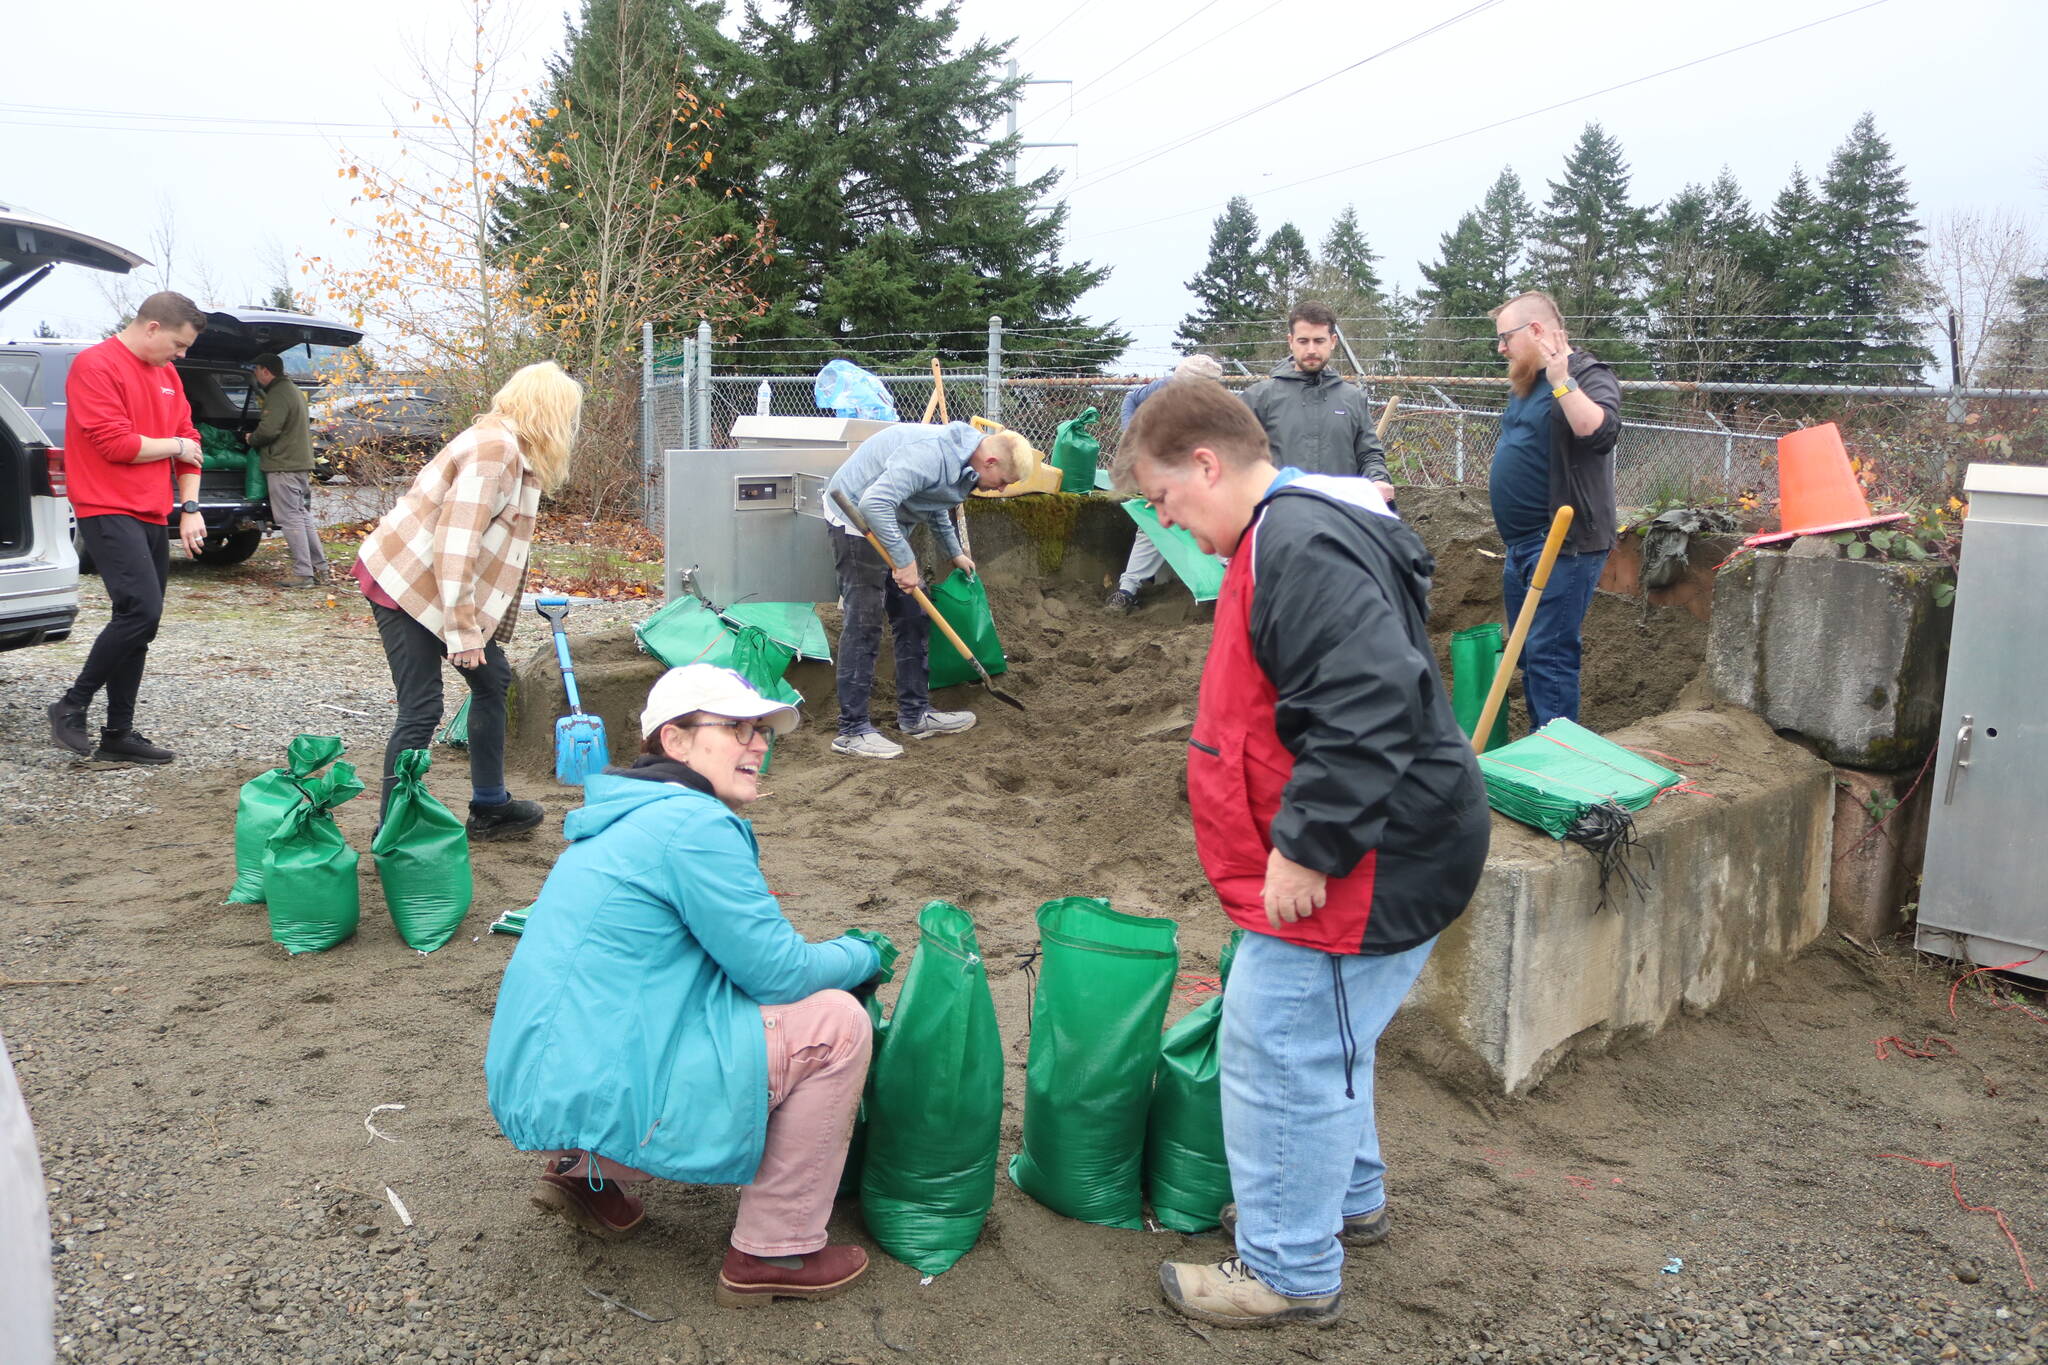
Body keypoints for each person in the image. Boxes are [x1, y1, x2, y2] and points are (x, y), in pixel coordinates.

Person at [1115, 380, 1489, 1329]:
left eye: (1165, 500)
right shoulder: (1291, 530)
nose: (1167, 523)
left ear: (1207, 463)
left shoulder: (1297, 542)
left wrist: (1309, 845)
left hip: (1367, 859)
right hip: (1397, 838)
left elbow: (1368, 698)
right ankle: (1346, 1201)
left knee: (1279, 1047)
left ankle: (1286, 1268)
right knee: (1328, 1036)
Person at [485, 664, 886, 1307]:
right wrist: (859, 953)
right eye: (736, 728)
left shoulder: (623, 813)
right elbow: (777, 973)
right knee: (837, 1022)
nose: (758, 743)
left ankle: (586, 1176)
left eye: (761, 731)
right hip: (602, 1070)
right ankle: (775, 1250)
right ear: (674, 741)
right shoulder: (693, 826)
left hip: (542, 1073)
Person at [352, 361, 582, 838]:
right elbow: (455, 543)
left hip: (437, 584)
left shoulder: (512, 448)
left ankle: (490, 807)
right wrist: (462, 630)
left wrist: (475, 626)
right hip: (408, 584)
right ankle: (393, 829)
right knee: (421, 707)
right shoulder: (494, 449)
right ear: (550, 413)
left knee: (491, 680)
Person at [45, 291, 209, 765]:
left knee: (143, 621)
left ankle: (119, 733)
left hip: (153, 509)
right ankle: (71, 705)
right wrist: (175, 445)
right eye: (178, 344)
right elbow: (117, 445)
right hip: (105, 505)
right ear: (153, 327)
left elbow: (191, 444)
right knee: (140, 609)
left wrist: (190, 505)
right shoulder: (96, 365)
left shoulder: (167, 375)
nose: (181, 355)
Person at [821, 420, 1038, 759]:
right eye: (1003, 483)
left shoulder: (963, 461)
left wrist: (954, 551)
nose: (1000, 490)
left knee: (914, 614)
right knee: (864, 624)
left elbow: (934, 500)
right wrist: (905, 560)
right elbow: (874, 504)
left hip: (885, 519)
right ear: (991, 462)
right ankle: (852, 730)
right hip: (855, 519)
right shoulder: (929, 455)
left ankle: (915, 715)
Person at [1485, 290, 1622, 727]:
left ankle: (1558, 755)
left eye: (1506, 337)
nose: (1501, 347)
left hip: (1565, 543)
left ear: (1538, 330)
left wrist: (1564, 380)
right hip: (1522, 544)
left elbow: (1599, 433)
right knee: (1527, 648)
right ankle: (1542, 739)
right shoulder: (1526, 382)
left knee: (1551, 651)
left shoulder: (1585, 372)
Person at [1103, 352, 1231, 614]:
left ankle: (1238, 586)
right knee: (1151, 524)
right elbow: (1131, 398)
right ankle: (1126, 591)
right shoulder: (1164, 388)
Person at [1240, 301, 1396, 505]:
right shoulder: (1259, 398)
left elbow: (1368, 454)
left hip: (1340, 518)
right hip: (1278, 519)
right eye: (1303, 341)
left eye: (1319, 341)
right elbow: (1236, 458)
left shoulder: (1353, 399)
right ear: (1291, 341)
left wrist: (1377, 479)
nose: (1311, 349)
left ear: (1332, 341)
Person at [243, 351, 329, 588]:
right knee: (301, 515)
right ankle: (320, 569)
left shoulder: (279, 393)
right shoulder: (293, 391)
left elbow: (270, 430)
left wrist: (252, 438)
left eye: (257, 370)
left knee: (289, 517)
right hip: (298, 464)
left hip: (283, 465)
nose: (256, 375)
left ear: (265, 371)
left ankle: (303, 573)